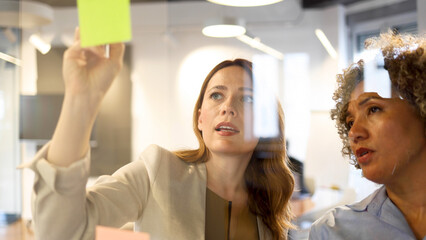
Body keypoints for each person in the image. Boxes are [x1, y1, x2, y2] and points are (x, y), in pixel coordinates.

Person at [22, 29, 295, 240]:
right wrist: (81, 99)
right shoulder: (157, 173)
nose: (227, 108)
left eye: (246, 99)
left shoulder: (267, 206)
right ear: (201, 117)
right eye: (216, 95)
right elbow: (60, 232)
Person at [309, 31, 425, 240]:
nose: (354, 133)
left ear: (421, 107)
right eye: (350, 122)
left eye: (373, 109)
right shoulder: (332, 232)